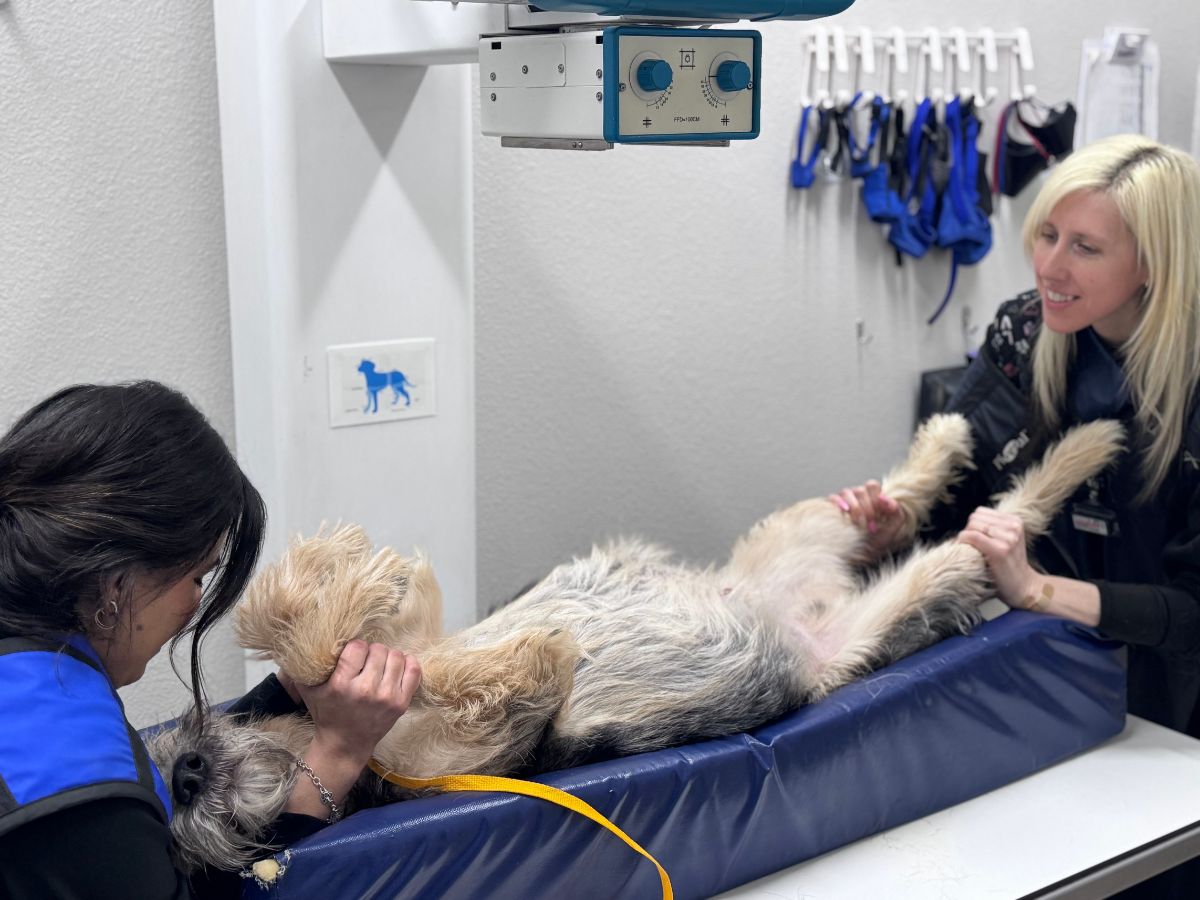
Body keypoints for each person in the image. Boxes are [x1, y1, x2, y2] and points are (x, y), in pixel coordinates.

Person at [833, 134, 1200, 898]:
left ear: (1155, 267)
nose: (1050, 267)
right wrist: (897, 531)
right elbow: (964, 501)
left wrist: (1036, 589)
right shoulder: (1026, 334)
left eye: (1086, 248)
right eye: (1047, 234)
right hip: (1055, 677)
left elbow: (1194, 614)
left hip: (1180, 714)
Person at [0, 381, 423, 899]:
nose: (195, 605)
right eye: (199, 576)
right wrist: (338, 754)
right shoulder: (76, 791)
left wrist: (281, 697)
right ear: (116, 581)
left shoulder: (34, 676)